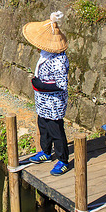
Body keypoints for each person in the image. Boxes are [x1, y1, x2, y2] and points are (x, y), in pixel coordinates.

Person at [22, 11, 71, 177]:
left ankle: (63, 160)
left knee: (56, 130)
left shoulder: (59, 60)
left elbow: (61, 84)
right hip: (43, 101)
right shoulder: (46, 54)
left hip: (54, 102)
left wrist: (40, 85)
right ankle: (46, 152)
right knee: (42, 125)